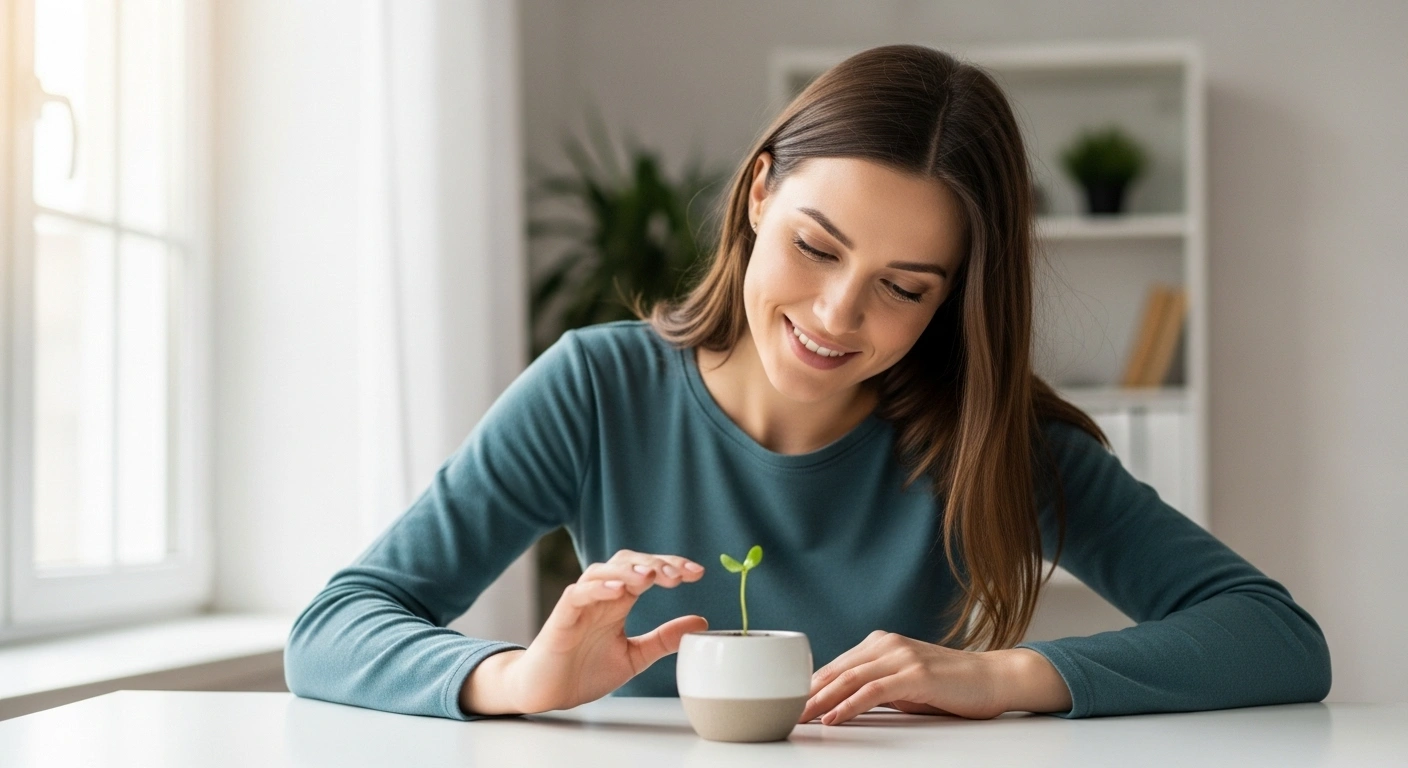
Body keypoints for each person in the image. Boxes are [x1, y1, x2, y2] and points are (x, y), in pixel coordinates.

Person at [284, 44, 1331, 725]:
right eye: (816, 247)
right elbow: (334, 626)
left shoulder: (984, 439)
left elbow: (1274, 637)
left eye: (903, 288)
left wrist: (1008, 675)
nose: (837, 316)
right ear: (757, 192)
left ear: (953, 299)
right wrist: (516, 680)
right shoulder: (597, 389)